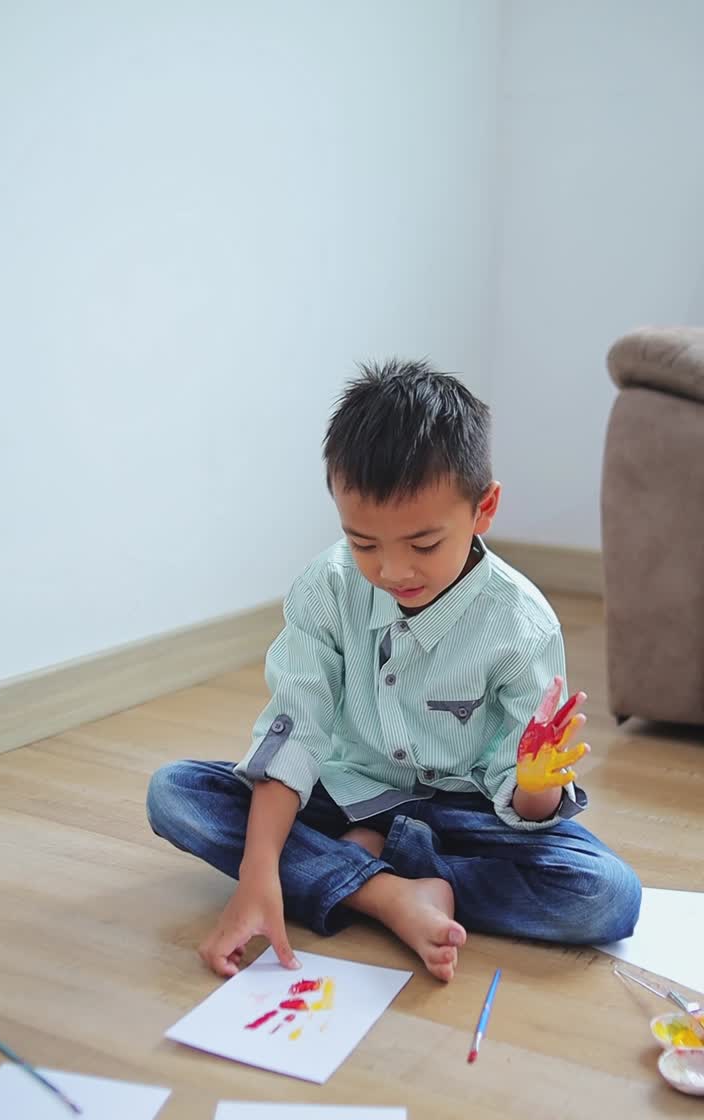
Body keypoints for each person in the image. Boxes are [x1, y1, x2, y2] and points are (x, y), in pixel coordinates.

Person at [147, 359, 641, 983]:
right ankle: (387, 895)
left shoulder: (522, 625)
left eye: (424, 545)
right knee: (176, 794)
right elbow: (295, 731)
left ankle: (363, 873)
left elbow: (518, 791)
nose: (392, 571)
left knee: (608, 894)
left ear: (484, 508)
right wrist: (255, 875)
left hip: (463, 813)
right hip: (347, 794)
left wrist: (536, 784)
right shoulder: (328, 588)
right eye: (363, 543)